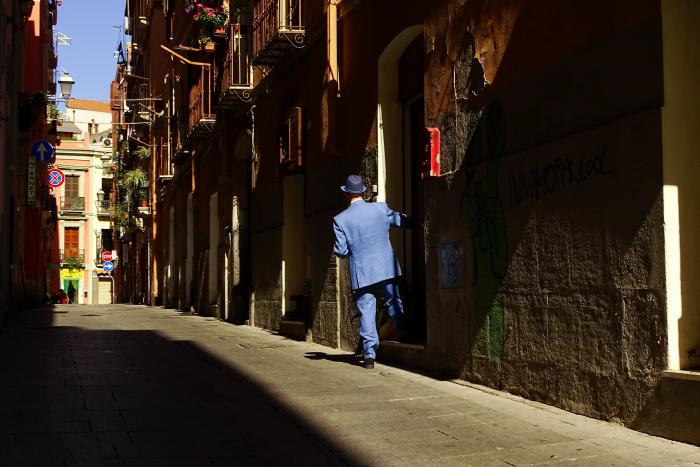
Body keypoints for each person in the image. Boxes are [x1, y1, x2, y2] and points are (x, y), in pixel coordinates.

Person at [332, 174, 411, 369]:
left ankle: (369, 357)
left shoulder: (340, 220)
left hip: (362, 272)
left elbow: (341, 251)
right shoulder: (380, 208)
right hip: (386, 266)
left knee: (366, 310)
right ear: (362, 192)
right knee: (394, 300)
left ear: (346, 195)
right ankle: (403, 332)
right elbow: (402, 221)